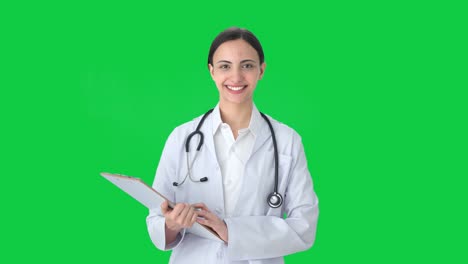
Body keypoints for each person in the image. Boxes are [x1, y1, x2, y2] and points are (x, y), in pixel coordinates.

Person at [146, 27, 319, 263]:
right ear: (212, 71)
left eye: (247, 65)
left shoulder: (287, 141)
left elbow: (305, 226)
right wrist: (172, 224)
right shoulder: (181, 138)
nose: (236, 77)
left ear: (261, 70)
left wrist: (231, 231)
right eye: (225, 66)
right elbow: (157, 217)